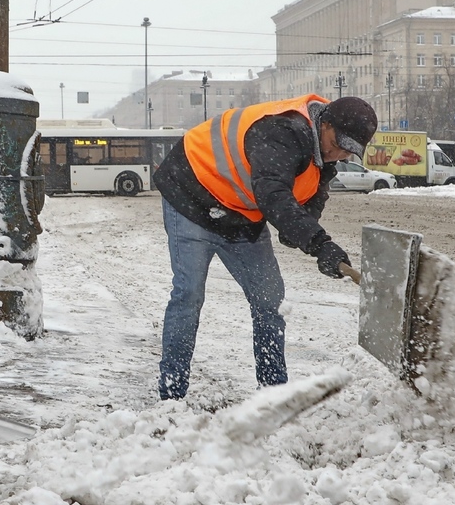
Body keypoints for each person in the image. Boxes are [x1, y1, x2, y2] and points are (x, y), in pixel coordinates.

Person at [152, 95, 378, 400]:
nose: (339, 153)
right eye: (338, 143)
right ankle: (172, 394)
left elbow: (312, 199)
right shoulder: (282, 132)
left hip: (241, 218)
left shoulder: (324, 158)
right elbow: (273, 196)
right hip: (191, 196)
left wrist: (299, 232)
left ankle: (273, 394)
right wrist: (320, 243)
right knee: (188, 294)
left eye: (348, 150)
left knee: (270, 300)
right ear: (324, 123)